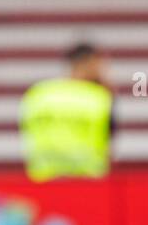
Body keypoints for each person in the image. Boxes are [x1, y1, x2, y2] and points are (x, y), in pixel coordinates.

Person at [19, 43, 115, 180]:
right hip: (88, 182)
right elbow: (109, 143)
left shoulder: (38, 93)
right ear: (89, 63)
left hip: (43, 180)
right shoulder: (99, 98)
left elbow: (26, 132)